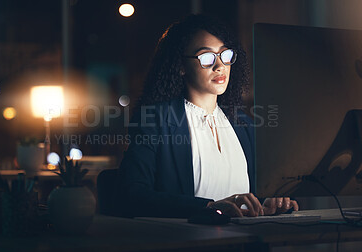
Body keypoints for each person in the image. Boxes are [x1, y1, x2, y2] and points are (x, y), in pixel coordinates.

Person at [117, 14, 299, 218]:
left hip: (244, 242)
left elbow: (250, 195)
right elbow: (133, 195)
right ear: (180, 67)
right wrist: (209, 207)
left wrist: (268, 203)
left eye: (225, 55)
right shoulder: (156, 120)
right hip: (188, 242)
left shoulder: (243, 123)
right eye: (206, 57)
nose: (220, 66)